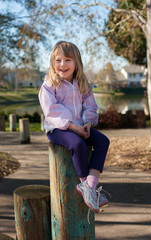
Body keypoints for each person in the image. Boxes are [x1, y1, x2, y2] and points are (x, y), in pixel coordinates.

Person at [38, 41, 110, 214]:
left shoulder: (83, 83)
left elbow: (90, 106)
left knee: (102, 141)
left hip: (80, 125)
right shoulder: (49, 85)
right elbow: (51, 110)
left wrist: (88, 123)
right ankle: (85, 184)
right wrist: (71, 126)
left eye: (68, 60)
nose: (62, 64)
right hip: (58, 129)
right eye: (58, 60)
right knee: (77, 144)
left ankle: (90, 187)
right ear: (52, 63)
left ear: (76, 62)